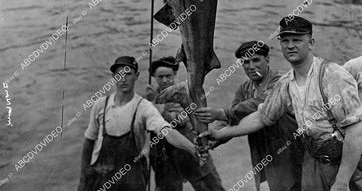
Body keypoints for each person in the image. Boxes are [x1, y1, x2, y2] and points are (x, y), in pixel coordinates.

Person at [201, 17, 362, 191]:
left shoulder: (333, 75)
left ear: (311, 43)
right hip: (312, 159)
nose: (290, 45)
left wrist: (342, 180)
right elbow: (262, 117)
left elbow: (355, 131)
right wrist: (219, 134)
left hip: (344, 163)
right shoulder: (286, 83)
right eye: (285, 40)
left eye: (297, 40)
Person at [77, 56, 198, 191]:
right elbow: (89, 143)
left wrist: (193, 149)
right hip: (102, 175)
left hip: (132, 179)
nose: (123, 79)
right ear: (113, 76)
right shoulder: (100, 105)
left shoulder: (144, 107)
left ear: (137, 76)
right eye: (119, 74)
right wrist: (83, 180)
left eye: (128, 74)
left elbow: (168, 132)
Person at [195, 41, 303, 191]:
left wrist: (221, 113)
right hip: (261, 152)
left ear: (267, 59)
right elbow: (232, 121)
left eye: (256, 60)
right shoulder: (245, 88)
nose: (251, 66)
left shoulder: (281, 80)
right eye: (245, 62)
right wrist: (214, 140)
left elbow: (260, 102)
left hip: (289, 150)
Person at [145, 56, 225, 191]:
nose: (165, 80)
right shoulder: (149, 96)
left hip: (189, 148)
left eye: (168, 76)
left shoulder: (184, 92)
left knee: (210, 187)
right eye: (160, 77)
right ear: (153, 77)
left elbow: (179, 120)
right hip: (163, 155)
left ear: (175, 74)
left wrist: (156, 105)